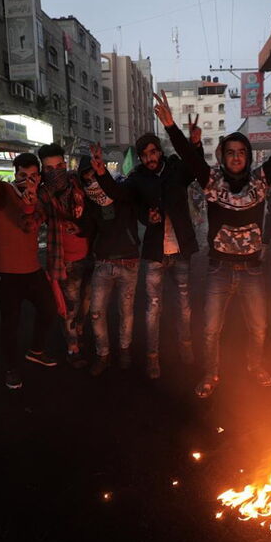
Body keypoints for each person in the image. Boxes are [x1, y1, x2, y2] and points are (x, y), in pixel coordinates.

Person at [155, 78, 271, 398]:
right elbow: (190, 159)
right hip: (219, 268)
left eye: (240, 152)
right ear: (222, 156)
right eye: (229, 152)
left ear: (247, 156)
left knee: (259, 327)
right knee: (209, 329)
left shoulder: (261, 180)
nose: (235, 157)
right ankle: (211, 373)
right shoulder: (211, 180)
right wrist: (171, 127)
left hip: (252, 270)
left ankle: (255, 365)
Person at [94, 132, 199, 379]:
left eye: (153, 152)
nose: (150, 158)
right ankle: (153, 357)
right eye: (144, 155)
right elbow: (118, 193)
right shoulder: (138, 178)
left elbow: (195, 167)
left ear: (160, 152)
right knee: (153, 309)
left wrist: (193, 144)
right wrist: (101, 173)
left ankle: (186, 346)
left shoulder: (176, 169)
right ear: (140, 158)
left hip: (181, 250)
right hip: (155, 253)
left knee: (184, 304)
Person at [0, 123, 58, 388]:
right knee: (10, 324)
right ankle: (11, 368)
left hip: (32, 270)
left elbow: (31, 223)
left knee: (49, 310)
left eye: (32, 176)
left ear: (39, 178)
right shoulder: (3, 192)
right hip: (6, 274)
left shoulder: (40, 199)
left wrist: (32, 203)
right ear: (14, 174)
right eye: (22, 175)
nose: (27, 180)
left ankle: (36, 351)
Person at [79, 146, 141, 376]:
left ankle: (124, 350)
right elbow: (89, 230)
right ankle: (102, 354)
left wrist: (103, 175)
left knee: (126, 311)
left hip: (128, 261)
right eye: (86, 175)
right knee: (96, 312)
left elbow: (119, 192)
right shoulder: (90, 201)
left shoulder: (121, 189)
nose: (91, 178)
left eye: (93, 173)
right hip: (103, 263)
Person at [36, 143, 92, 365]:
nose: (55, 172)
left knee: (86, 301)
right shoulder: (43, 193)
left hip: (90, 254)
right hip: (65, 261)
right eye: (49, 169)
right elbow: (33, 214)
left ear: (65, 164)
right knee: (70, 307)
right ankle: (72, 348)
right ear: (42, 170)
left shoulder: (77, 183)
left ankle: (78, 331)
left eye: (59, 166)